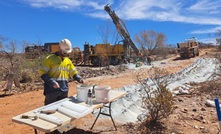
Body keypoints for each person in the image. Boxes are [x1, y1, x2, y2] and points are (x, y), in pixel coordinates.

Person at [39, 38, 84, 105]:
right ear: (59, 48)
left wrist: (79, 78)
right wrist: (52, 82)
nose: (66, 54)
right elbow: (42, 73)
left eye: (67, 52)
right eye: (64, 52)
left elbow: (73, 72)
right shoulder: (50, 59)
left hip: (64, 89)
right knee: (50, 110)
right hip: (51, 91)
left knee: (62, 110)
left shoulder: (68, 61)